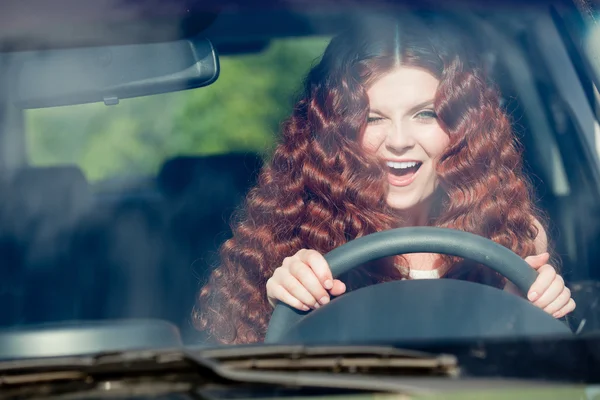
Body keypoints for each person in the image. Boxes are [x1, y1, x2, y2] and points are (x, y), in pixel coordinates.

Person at [193, 13, 576, 345]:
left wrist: (530, 311)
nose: (398, 141)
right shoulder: (293, 238)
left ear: (463, 128)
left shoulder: (512, 232)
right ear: (338, 133)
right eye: (372, 118)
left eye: (425, 114)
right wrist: (285, 303)